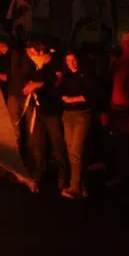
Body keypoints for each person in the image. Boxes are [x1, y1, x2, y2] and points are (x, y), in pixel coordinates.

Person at [24, 39, 67, 192]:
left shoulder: (55, 64)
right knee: (38, 144)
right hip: (39, 110)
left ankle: (62, 177)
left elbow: (56, 85)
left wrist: (36, 84)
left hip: (53, 111)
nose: (30, 55)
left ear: (41, 52)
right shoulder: (38, 66)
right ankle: (38, 176)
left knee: (57, 144)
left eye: (32, 52)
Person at [104, 30, 129, 187]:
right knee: (120, 144)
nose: (128, 46)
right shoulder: (118, 62)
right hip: (118, 108)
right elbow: (109, 83)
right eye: (126, 43)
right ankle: (122, 175)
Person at [58, 49, 95, 198]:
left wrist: (73, 99)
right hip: (68, 115)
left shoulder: (86, 75)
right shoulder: (65, 77)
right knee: (72, 151)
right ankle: (82, 184)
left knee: (75, 151)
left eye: (73, 60)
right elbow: (59, 93)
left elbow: (90, 95)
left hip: (81, 115)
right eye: (68, 60)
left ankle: (75, 187)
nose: (71, 63)